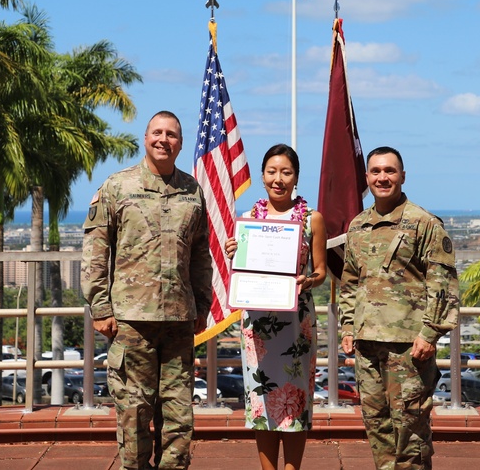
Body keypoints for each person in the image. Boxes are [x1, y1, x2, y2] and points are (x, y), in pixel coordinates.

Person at [82, 110, 213, 470]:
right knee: (134, 416)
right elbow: (96, 250)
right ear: (145, 138)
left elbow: (201, 253)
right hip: (131, 322)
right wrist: (101, 307)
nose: (163, 140)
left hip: (179, 322)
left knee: (178, 420)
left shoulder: (192, 191)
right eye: (157, 132)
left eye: (172, 134)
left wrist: (203, 304)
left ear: (180, 143)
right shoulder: (117, 187)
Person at [338, 146, 460, 470]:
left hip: (409, 346)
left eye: (390, 171)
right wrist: (348, 327)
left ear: (403, 176)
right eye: (376, 171)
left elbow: (443, 284)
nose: (383, 177)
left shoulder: (423, 223)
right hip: (367, 344)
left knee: (410, 432)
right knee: (378, 428)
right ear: (367, 178)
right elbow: (350, 282)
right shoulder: (358, 226)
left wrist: (429, 334)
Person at [223, 144, 327, 470]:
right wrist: (233, 251)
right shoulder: (249, 220)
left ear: (296, 177)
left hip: (295, 326)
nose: (278, 179)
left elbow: (321, 271)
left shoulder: (312, 219)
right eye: (272, 171)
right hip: (258, 327)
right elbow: (242, 269)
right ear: (262, 175)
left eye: (286, 172)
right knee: (262, 404)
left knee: (293, 402)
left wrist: (309, 281)